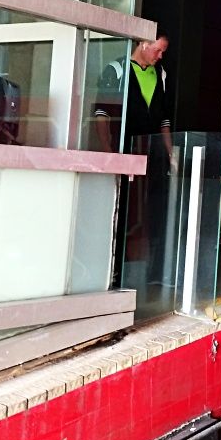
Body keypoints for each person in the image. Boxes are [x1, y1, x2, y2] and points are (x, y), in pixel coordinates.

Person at [94, 33, 174, 286]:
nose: (160, 56)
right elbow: (101, 113)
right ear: (144, 43)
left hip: (152, 154)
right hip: (124, 151)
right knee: (121, 210)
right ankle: (113, 271)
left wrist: (170, 153)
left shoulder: (160, 74)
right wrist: (109, 153)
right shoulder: (116, 69)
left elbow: (163, 119)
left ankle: (149, 274)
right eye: (158, 50)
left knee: (151, 211)